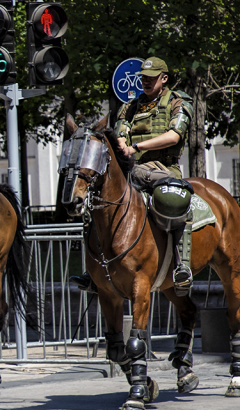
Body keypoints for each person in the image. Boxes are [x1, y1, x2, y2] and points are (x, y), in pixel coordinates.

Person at [71, 56, 195, 295]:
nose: (146, 83)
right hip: (132, 169)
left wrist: (136, 148)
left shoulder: (178, 102)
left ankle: (182, 266)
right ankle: (93, 272)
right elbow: (119, 136)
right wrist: (123, 148)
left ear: (164, 78)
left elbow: (174, 135)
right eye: (143, 79)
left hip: (163, 169)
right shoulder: (130, 107)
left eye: (151, 79)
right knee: (95, 203)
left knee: (175, 200)